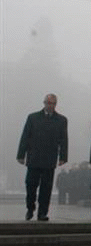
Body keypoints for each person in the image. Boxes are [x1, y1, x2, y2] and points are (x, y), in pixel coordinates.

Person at [16, 93, 68, 221]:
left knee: (46, 188)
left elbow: (64, 140)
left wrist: (63, 157)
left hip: (49, 159)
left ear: (55, 105)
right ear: (44, 103)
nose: (50, 106)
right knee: (30, 185)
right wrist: (21, 155)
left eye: (53, 103)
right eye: (48, 103)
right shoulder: (33, 117)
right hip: (34, 157)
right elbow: (25, 136)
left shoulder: (61, 120)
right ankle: (30, 207)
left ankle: (42, 213)